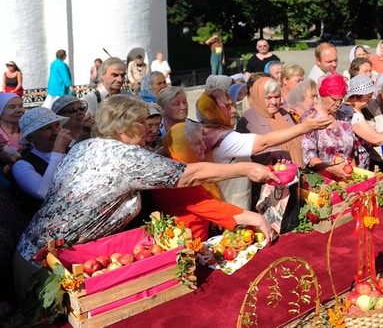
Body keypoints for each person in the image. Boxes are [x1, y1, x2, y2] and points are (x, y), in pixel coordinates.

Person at [12, 95, 284, 300]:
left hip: (36, 253)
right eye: (141, 122)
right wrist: (245, 168)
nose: (148, 128)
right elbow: (188, 176)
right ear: (123, 127)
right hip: (47, 267)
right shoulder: (126, 156)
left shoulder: (87, 145)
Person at [196, 89, 330, 210]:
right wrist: (303, 128)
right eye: (226, 106)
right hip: (232, 208)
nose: (233, 110)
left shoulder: (208, 133)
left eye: (232, 105)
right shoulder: (225, 139)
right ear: (211, 112)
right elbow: (263, 142)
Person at [152, 122, 276, 240]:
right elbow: (215, 208)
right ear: (183, 147)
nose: (204, 147)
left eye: (202, 141)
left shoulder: (182, 162)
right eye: (197, 143)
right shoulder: (175, 177)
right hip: (186, 245)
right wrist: (258, 219)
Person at [236, 77, 303, 232]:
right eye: (268, 98)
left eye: (277, 97)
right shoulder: (248, 119)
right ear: (259, 97)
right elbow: (245, 154)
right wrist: (271, 155)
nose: (274, 102)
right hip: (267, 189)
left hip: (292, 182)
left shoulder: (284, 114)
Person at [11, 108, 73, 218]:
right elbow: (44, 192)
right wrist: (57, 151)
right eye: (48, 128)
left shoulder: (70, 151)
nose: (56, 132)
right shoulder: (22, 165)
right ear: (31, 137)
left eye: (57, 125)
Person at [300, 74, 357, 178]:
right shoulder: (311, 118)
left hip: (346, 176)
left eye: (341, 99)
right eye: (334, 99)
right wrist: (332, 169)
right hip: (322, 180)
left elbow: (351, 151)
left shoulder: (342, 117)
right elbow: (308, 156)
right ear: (323, 95)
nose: (338, 103)